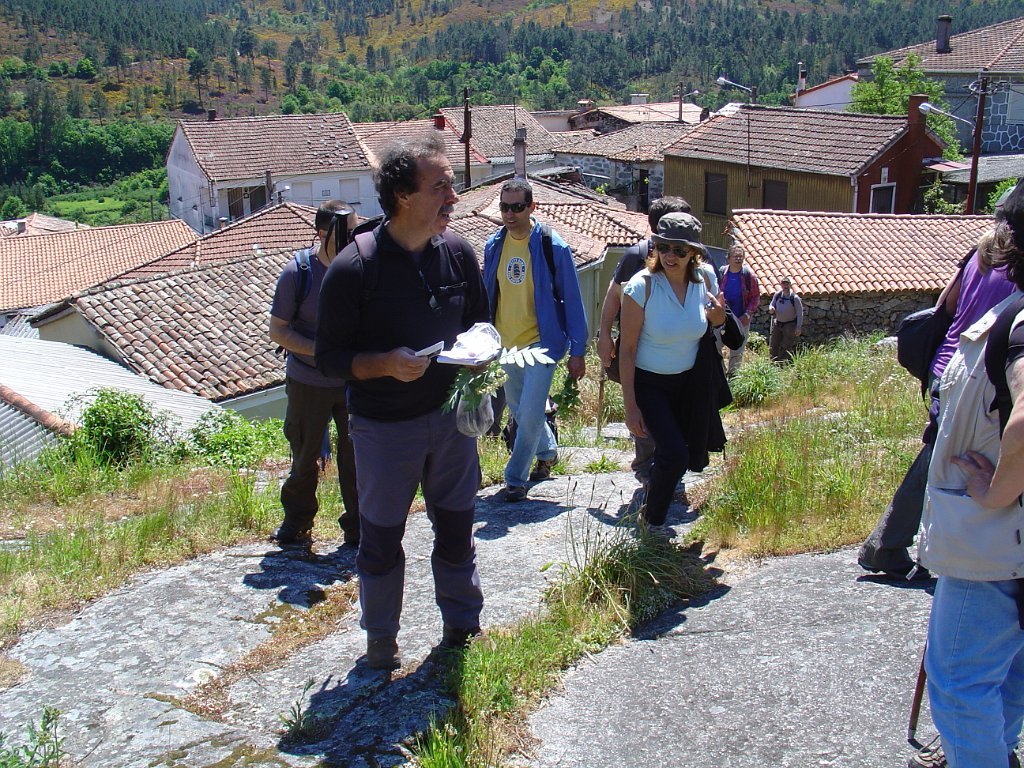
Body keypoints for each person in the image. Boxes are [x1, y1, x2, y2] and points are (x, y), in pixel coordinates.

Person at [315, 133, 489, 670]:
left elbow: (480, 326)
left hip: (451, 424)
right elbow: (330, 359)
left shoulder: (458, 254)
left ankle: (462, 627)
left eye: (452, 186)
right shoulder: (354, 268)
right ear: (403, 196)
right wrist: (385, 364)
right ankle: (381, 643)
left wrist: (481, 356)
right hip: (384, 429)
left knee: (457, 529)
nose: (453, 197)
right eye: (441, 187)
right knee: (381, 539)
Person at [911, 181, 1024, 768]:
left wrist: (995, 492)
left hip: (998, 541)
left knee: (958, 682)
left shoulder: (1022, 323)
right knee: (1011, 671)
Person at [858, 226, 1016, 580]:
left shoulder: (976, 257)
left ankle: (891, 546)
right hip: (975, 374)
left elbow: (947, 305)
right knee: (953, 461)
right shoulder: (1015, 267)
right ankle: (896, 546)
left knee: (941, 454)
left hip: (946, 365)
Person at [596, 196, 718, 488]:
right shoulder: (636, 257)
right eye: (665, 243)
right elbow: (614, 295)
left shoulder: (698, 265)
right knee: (647, 425)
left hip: (683, 364)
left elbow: (710, 307)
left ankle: (665, 473)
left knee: (673, 428)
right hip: (643, 358)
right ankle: (649, 473)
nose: (672, 252)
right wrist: (605, 335)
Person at [619, 212, 729, 534]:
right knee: (674, 454)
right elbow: (627, 350)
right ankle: (652, 523)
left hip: (690, 384)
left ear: (693, 253)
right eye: (664, 247)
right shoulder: (642, 287)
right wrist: (631, 406)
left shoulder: (704, 280)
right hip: (650, 384)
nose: (670, 256)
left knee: (685, 454)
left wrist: (720, 318)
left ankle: (651, 514)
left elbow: (717, 323)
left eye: (679, 250)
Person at [483, 178, 588, 503]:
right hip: (506, 345)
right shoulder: (494, 245)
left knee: (528, 414)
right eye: (505, 207)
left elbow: (573, 300)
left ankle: (514, 479)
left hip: (542, 345)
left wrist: (578, 350)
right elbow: (489, 294)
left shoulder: (553, 247)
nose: (509, 213)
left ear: (532, 207)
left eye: (517, 207)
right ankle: (547, 452)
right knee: (519, 408)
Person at [268, 200, 360, 549]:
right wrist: (321, 351)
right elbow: (278, 331)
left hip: (352, 381)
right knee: (305, 457)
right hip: (308, 381)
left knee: (357, 459)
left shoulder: (360, 270)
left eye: (355, 230)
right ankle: (297, 522)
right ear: (322, 233)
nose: (353, 238)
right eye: (346, 231)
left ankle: (358, 528)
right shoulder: (298, 273)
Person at [718, 243, 761, 376]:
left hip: (741, 320)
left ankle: (733, 377)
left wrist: (747, 315)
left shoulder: (749, 276)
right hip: (721, 319)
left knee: (737, 351)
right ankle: (721, 375)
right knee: (716, 346)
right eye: (735, 256)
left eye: (740, 256)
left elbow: (755, 298)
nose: (738, 259)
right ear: (728, 258)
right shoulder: (721, 274)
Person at [768, 277, 803, 363]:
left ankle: (783, 363)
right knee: (774, 343)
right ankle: (773, 362)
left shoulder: (794, 298)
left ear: (790, 285)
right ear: (781, 285)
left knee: (786, 345)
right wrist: (771, 308)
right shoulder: (777, 295)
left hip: (789, 325)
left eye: (787, 284)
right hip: (778, 323)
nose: (785, 286)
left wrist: (798, 327)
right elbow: (771, 305)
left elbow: (800, 313)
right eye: (784, 284)